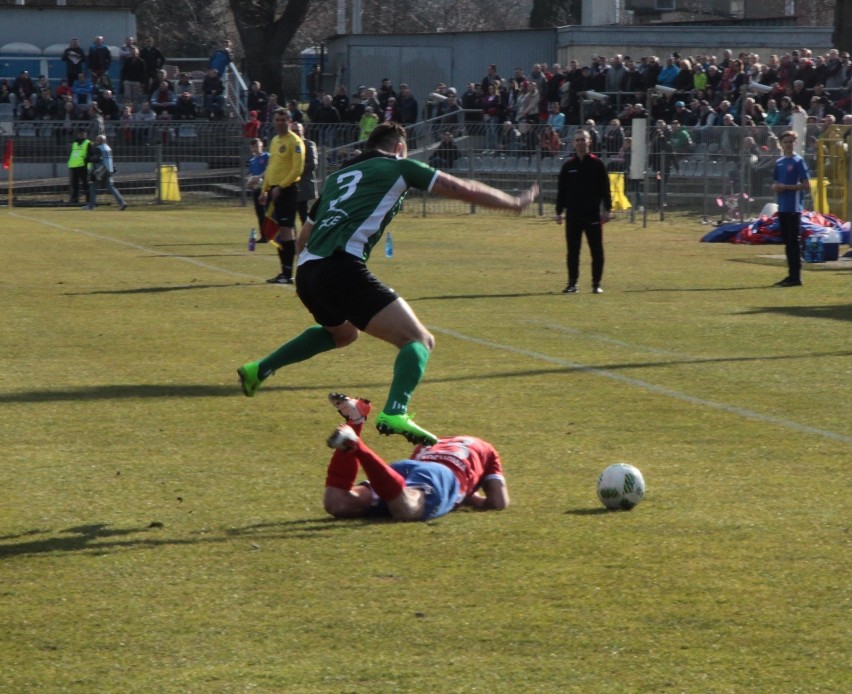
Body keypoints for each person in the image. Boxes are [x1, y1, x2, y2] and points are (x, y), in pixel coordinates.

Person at [236, 123, 539, 445]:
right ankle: (396, 411)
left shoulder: (337, 179)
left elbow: (304, 238)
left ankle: (259, 369)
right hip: (341, 267)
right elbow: (460, 188)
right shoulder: (399, 166)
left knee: (342, 333)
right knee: (419, 340)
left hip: (309, 270)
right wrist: (514, 202)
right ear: (398, 148)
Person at [322, 392, 509, 521]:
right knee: (407, 509)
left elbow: (405, 481)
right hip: (443, 476)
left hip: (408, 466)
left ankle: (356, 420)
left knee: (338, 503)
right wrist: (471, 498)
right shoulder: (487, 450)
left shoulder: (429, 444)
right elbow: (498, 502)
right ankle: (358, 447)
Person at [554, 128, 612, 294]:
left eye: (583, 139)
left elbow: (605, 189)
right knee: (573, 251)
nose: (580, 143)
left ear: (589, 142)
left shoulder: (597, 164)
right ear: (573, 143)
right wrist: (559, 211)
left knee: (596, 250)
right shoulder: (568, 166)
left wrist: (607, 209)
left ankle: (596, 284)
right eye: (577, 140)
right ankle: (572, 283)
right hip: (573, 215)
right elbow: (562, 191)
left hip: (592, 214)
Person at [259, 108, 305, 284]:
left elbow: (297, 169)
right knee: (278, 230)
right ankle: (284, 272)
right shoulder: (275, 140)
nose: (280, 123)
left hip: (287, 191)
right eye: (277, 120)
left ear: (290, 121)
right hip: (273, 190)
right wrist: (265, 189)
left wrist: (281, 186)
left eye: (283, 120)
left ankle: (288, 273)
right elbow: (271, 166)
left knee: (286, 231)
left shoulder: (295, 142)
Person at [772, 131, 810, 287]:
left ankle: (796, 276)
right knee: (788, 242)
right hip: (782, 207)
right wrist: (775, 187)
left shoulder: (798, 161)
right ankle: (791, 274)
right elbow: (775, 183)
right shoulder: (779, 162)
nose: (788, 144)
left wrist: (786, 187)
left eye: (791, 141)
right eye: (786, 141)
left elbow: (806, 185)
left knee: (793, 242)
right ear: (781, 144)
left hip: (794, 208)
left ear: (795, 143)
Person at [84, 134, 127, 211]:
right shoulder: (108, 148)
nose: (95, 141)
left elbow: (97, 159)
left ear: (100, 141)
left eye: (97, 140)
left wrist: (88, 159)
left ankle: (90, 206)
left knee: (93, 187)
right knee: (111, 188)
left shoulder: (98, 148)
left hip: (100, 170)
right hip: (108, 169)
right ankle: (122, 203)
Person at [292, 122, 318, 225]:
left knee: (303, 214)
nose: (295, 132)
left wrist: (297, 169)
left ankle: (309, 236)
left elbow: (313, 164)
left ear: (303, 131)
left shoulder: (308, 144)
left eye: (297, 130)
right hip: (291, 184)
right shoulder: (290, 144)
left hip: (303, 184)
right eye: (292, 130)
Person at [67, 129, 91, 205]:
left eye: (82, 134)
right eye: (80, 134)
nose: (80, 135)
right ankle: (74, 199)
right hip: (74, 166)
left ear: (85, 135)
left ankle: (89, 200)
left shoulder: (88, 143)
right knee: (75, 184)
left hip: (83, 166)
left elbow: (90, 155)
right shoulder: (74, 143)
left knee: (85, 184)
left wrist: (88, 166)